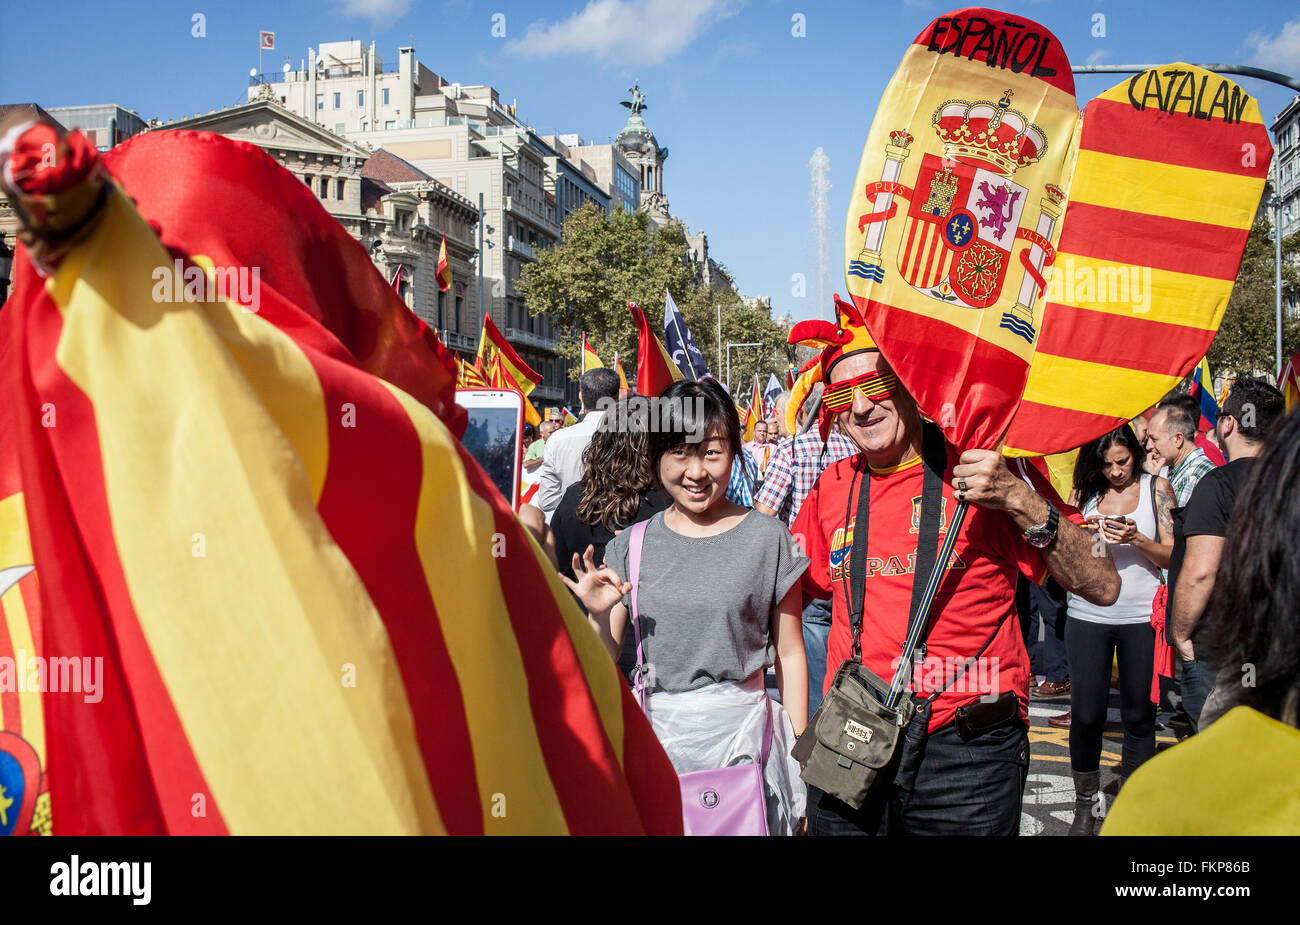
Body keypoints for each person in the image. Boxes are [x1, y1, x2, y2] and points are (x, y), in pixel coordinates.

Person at [789, 297, 1119, 836]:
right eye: (844, 395)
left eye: (874, 387)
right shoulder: (832, 489)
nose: (862, 407)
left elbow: (1102, 582)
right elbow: (777, 590)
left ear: (911, 386)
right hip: (854, 742)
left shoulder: (987, 467)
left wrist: (1020, 499)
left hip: (967, 753)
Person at [561, 378, 810, 835]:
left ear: (735, 453)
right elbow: (603, 659)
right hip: (658, 747)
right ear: (656, 459)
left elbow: (790, 653)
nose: (696, 472)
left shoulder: (768, 538)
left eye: (711, 453)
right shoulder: (629, 546)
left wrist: (799, 759)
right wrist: (596, 614)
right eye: (680, 453)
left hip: (746, 746)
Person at [1102, 405, 1300, 835]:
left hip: (1213, 639)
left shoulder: (1166, 797)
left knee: (1203, 722)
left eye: (1151, 438)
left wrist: (1182, 631)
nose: (1145, 447)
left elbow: (1199, 566)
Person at [1062, 426, 1174, 835]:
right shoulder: (1084, 494)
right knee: (1087, 715)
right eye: (1106, 464)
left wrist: (1137, 538)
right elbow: (1062, 556)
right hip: (1087, 616)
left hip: (1141, 617)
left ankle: (1132, 807)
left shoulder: (1157, 488)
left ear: (1136, 454)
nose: (1115, 471)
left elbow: (1174, 554)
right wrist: (1083, 539)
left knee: (1139, 716)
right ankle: (1084, 805)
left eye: (1122, 461)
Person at [1168, 377, 1285, 732]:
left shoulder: (1218, 485)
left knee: (1220, 756)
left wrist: (1182, 636)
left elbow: (1202, 572)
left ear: (1229, 423)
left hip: (1225, 650)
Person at [754, 381, 858, 718]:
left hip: (807, 574)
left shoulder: (792, 450)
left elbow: (764, 515)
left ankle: (813, 738)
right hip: (854, 569)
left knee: (810, 671)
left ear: (797, 412)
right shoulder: (855, 449)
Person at [550, 399, 671, 680]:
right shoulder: (670, 505)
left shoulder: (574, 498)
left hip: (589, 641)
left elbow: (556, 569)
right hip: (652, 646)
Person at [535, 368, 620, 512]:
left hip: (574, 523)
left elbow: (547, 501)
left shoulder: (557, 439)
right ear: (618, 397)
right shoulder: (634, 436)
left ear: (580, 397)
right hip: (622, 522)